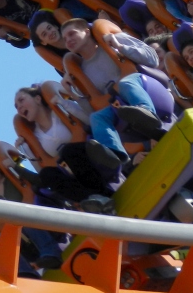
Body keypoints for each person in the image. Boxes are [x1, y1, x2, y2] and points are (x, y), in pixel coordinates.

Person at [60, 19, 166, 160]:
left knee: (125, 83)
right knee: (96, 118)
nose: (68, 40)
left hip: (148, 90)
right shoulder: (82, 71)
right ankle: (115, 154)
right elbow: (92, 109)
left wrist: (120, 47)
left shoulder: (112, 41)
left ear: (86, 31)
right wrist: (73, 93)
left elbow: (153, 59)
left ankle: (148, 116)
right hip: (121, 109)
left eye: (72, 34)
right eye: (65, 38)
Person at [12, 86, 116, 214]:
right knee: (47, 174)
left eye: (21, 100)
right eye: (16, 106)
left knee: (68, 152)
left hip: (89, 154)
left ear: (37, 99)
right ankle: (94, 199)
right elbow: (42, 169)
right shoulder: (35, 136)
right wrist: (26, 149)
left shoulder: (59, 111)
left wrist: (65, 104)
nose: (19, 107)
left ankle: (101, 195)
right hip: (71, 172)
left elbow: (89, 121)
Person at [0, 144, 64, 271]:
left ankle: (51, 253)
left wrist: (16, 168)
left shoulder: (14, 178)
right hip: (24, 242)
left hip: (45, 221)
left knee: (22, 214)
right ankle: (27, 272)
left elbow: (40, 181)